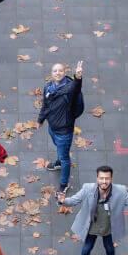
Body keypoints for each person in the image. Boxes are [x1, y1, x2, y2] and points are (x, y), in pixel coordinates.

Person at [38, 61, 84, 193]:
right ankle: (59, 163)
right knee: (59, 148)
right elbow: (45, 105)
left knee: (65, 158)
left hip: (64, 131)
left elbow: (76, 87)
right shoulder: (48, 87)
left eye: (60, 70)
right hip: (52, 127)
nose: (57, 73)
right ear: (51, 74)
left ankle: (64, 184)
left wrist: (78, 77)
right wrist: (40, 120)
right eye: (55, 71)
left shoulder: (69, 89)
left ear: (65, 73)